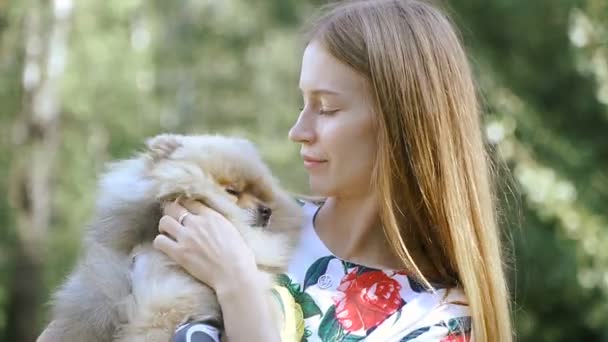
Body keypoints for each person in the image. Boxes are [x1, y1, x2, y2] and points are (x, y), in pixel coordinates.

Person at [38, 0, 512, 341]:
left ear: (402, 126)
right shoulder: (232, 221)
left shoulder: (435, 321)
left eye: (326, 109)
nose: (298, 130)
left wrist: (239, 287)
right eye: (303, 103)